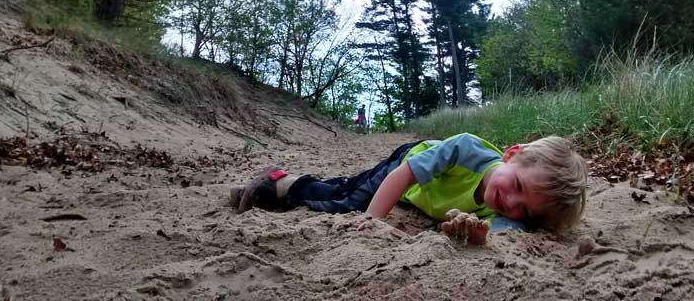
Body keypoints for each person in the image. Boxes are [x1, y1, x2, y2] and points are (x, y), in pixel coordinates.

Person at [229, 133, 587, 245]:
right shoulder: (466, 150)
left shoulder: (509, 212)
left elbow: (503, 234)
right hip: (407, 166)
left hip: (418, 197)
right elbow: (403, 177)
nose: (511, 203)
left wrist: (480, 236)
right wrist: (369, 224)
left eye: (525, 209)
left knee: (346, 189)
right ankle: (282, 184)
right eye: (518, 186)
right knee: (352, 199)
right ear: (511, 156)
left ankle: (288, 184)